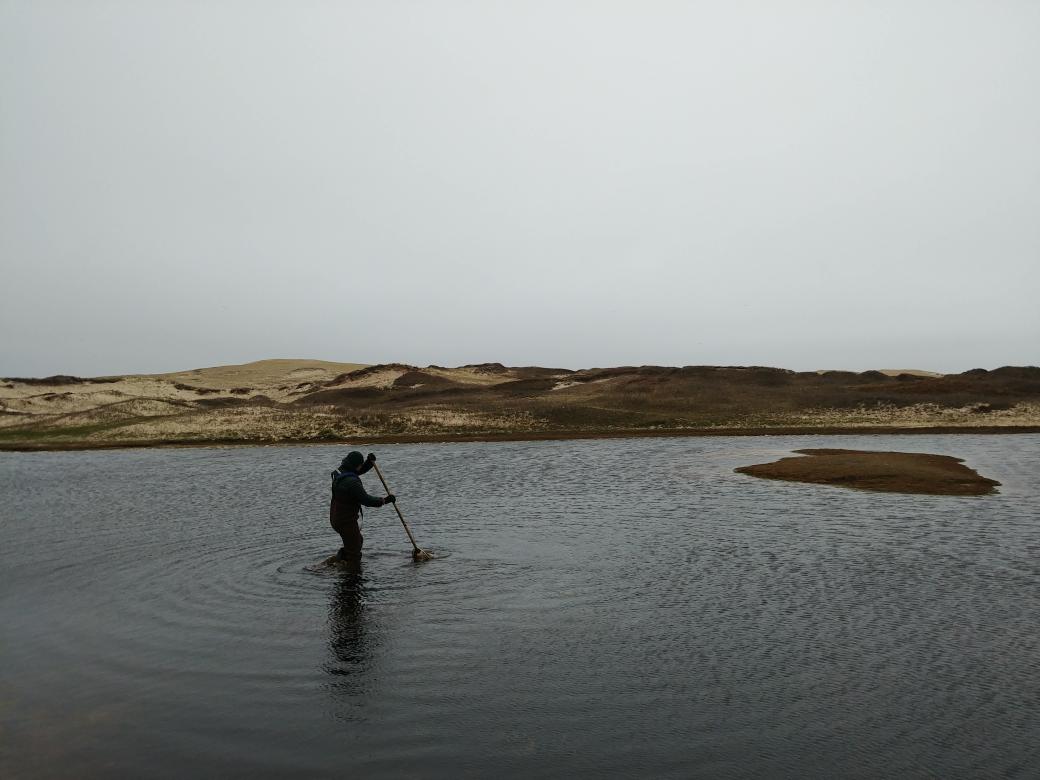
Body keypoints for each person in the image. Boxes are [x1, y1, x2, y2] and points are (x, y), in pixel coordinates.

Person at [330, 451, 395, 559]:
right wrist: (385, 500)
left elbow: (356, 471)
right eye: (360, 465)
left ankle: (340, 562)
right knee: (354, 552)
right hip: (345, 521)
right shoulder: (352, 483)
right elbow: (367, 500)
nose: (360, 467)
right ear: (356, 465)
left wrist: (368, 463)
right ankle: (348, 571)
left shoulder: (341, 472)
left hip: (336, 518)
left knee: (357, 541)